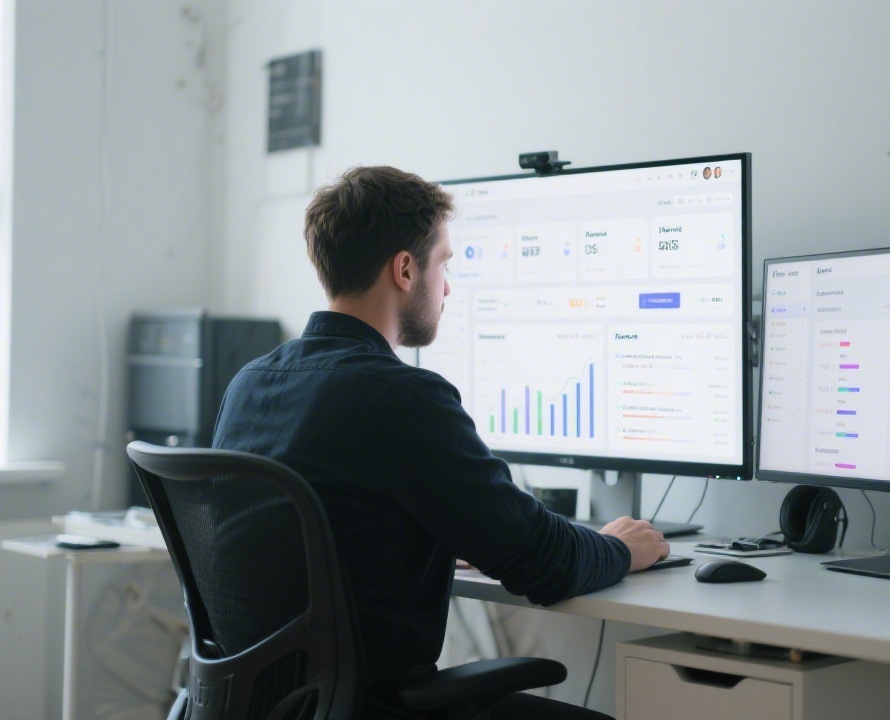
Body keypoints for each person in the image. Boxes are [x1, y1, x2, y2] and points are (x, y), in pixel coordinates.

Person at [212, 166, 668, 720]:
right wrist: (622, 547)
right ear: (405, 268)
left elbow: (319, 528)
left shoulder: (249, 384)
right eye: (444, 264)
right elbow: (543, 565)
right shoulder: (404, 398)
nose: (447, 286)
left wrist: (431, 531)